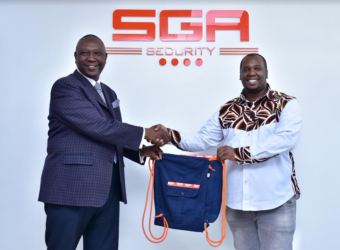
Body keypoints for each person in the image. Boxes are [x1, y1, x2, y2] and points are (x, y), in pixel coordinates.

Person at [153, 54, 302, 250]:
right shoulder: (228, 110)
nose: (251, 73)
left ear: (266, 73)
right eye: (246, 69)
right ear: (240, 75)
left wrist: (239, 153)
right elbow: (203, 139)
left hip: (276, 201)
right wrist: (169, 135)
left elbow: (285, 140)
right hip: (237, 205)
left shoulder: (286, 104)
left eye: (257, 68)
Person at [38, 34, 169, 250]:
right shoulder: (65, 87)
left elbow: (110, 135)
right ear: (75, 57)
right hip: (71, 190)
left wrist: (141, 152)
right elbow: (97, 126)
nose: (91, 58)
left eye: (97, 53)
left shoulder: (108, 92)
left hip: (107, 191)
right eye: (85, 53)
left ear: (105, 58)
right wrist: (144, 132)